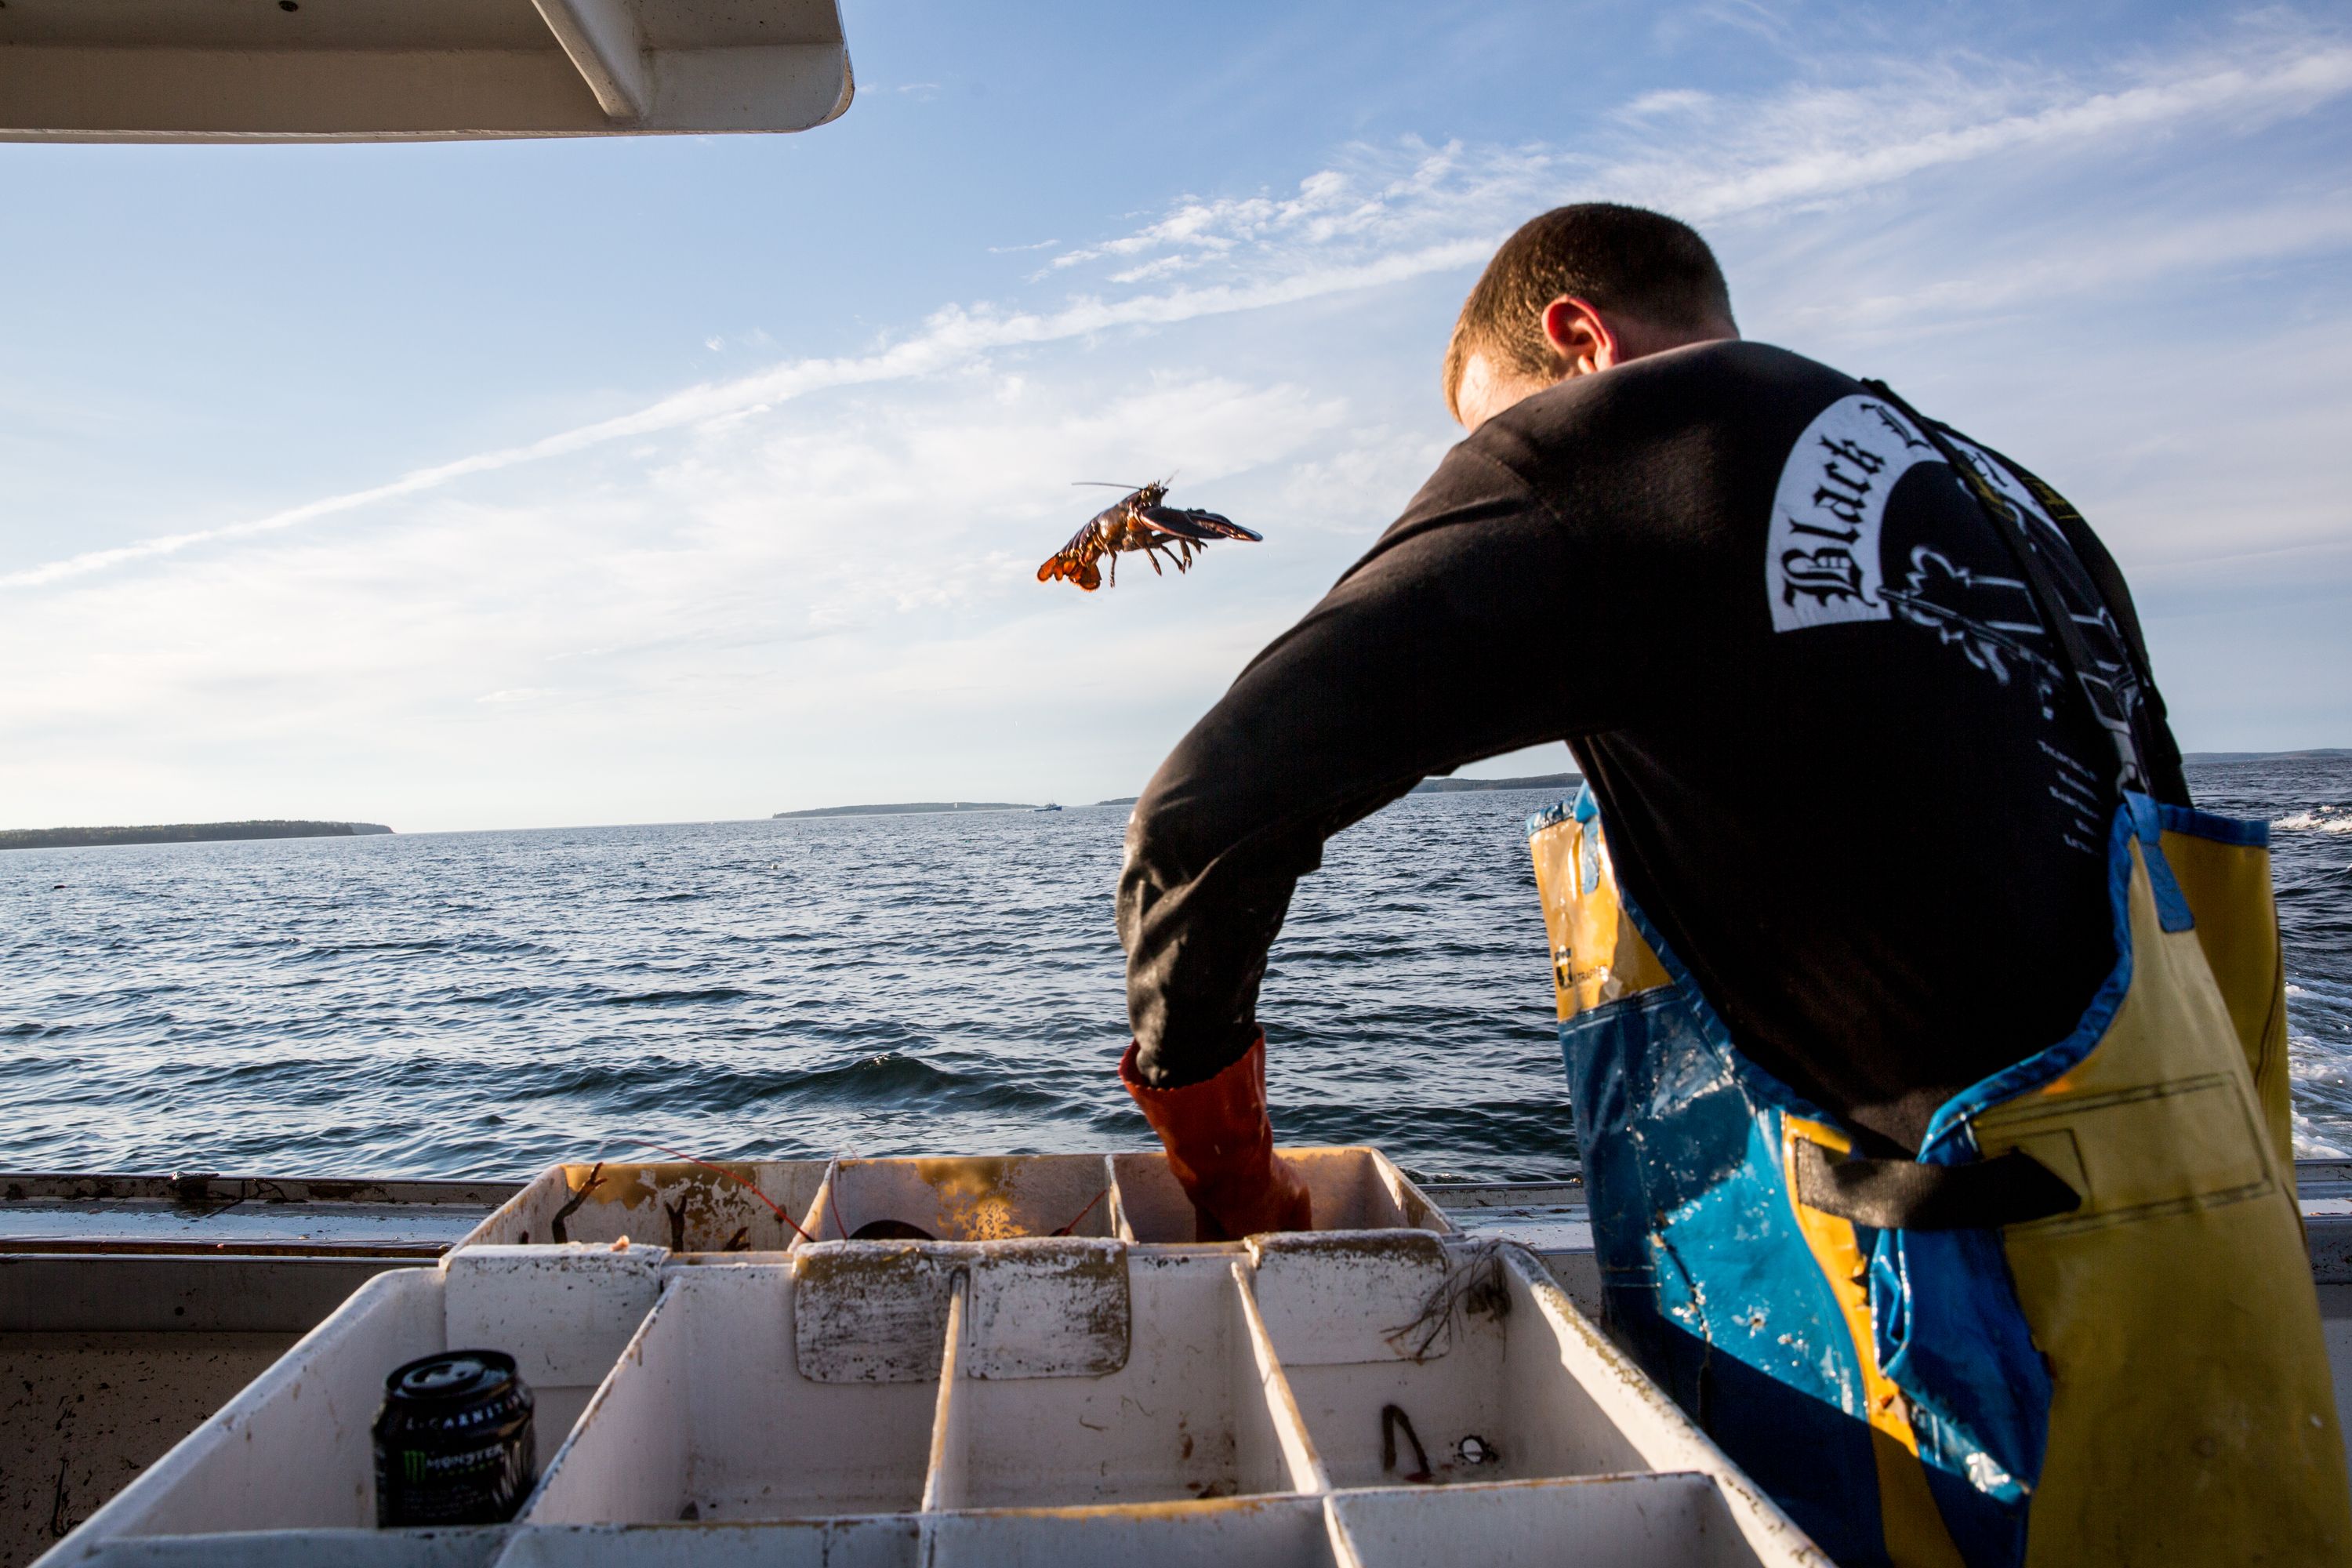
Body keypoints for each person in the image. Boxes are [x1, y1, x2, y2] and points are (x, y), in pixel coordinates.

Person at [1112, 204, 2350, 1566]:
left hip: (1976, 1354)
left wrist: (1229, 1172)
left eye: (1480, 428)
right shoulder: (2003, 493)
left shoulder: (1622, 440)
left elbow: (1201, 816)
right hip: (2219, 1312)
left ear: (1580, 342)